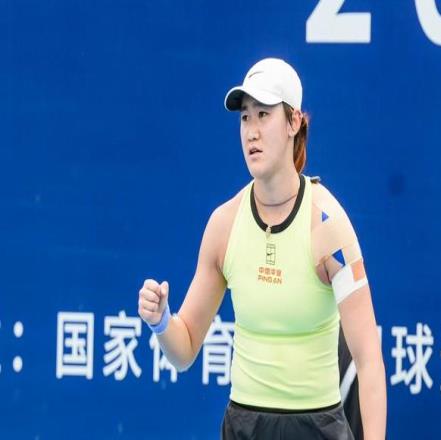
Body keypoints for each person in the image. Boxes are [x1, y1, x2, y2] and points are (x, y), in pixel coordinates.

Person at [138, 58, 387, 439]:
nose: (251, 131)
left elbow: (368, 361)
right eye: (245, 118)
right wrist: (160, 321)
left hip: (317, 429)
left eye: (264, 115)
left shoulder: (328, 225)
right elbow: (184, 349)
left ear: (293, 122)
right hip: (243, 428)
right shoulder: (224, 225)